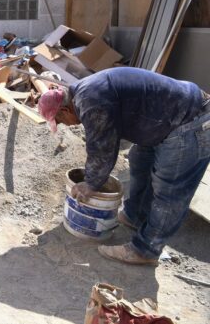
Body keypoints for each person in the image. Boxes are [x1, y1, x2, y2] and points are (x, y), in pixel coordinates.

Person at [38, 67, 210, 266]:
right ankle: (135, 216)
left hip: (192, 122)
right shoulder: (82, 92)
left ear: (65, 109)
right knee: (139, 159)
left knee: (169, 191)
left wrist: (91, 183)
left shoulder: (91, 102)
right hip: (169, 117)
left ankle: (146, 250)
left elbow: (103, 148)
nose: (65, 126)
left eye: (59, 120)